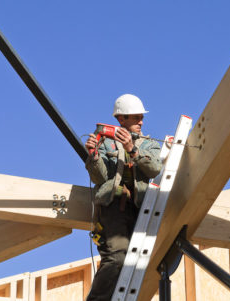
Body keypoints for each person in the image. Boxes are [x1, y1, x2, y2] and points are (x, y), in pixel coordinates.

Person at [84, 94, 163, 300]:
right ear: (121, 119)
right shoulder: (107, 143)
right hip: (113, 207)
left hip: (140, 209)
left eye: (141, 117)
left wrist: (132, 150)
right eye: (136, 117)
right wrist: (93, 155)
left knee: (139, 262)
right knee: (117, 257)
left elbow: (154, 168)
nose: (141, 122)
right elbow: (99, 177)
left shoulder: (149, 144)